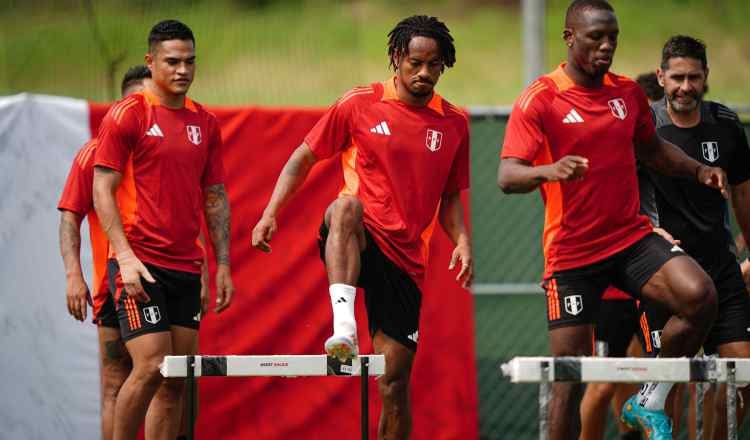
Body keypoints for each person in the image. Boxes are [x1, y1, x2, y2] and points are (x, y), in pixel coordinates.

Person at [497, 1, 727, 439]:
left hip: (629, 239)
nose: (607, 46)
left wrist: (699, 169)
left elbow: (654, 151)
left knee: (700, 297)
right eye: (595, 37)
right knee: (570, 378)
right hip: (572, 252)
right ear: (569, 38)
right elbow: (507, 175)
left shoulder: (627, 93)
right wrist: (549, 170)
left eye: (613, 38)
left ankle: (650, 398)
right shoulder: (541, 97)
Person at [251, 15, 471, 440]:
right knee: (345, 207)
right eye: (415, 63)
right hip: (360, 237)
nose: (424, 73)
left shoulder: (454, 123)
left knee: (394, 382)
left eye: (434, 65)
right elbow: (303, 158)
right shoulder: (359, 103)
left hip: (407, 259)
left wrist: (461, 239)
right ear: (396, 58)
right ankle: (343, 327)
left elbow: (449, 198)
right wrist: (270, 212)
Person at [93, 20, 234, 440]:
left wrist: (222, 263)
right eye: (172, 61)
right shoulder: (128, 114)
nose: (182, 70)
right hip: (140, 263)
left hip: (185, 268)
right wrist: (127, 258)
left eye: (190, 61)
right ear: (150, 61)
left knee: (176, 379)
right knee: (152, 364)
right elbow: (102, 189)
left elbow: (216, 196)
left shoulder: (205, 123)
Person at [637, 35, 750, 440]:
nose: (685, 86)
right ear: (661, 77)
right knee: (664, 390)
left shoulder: (726, 124)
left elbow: (742, 193)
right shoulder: (644, 125)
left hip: (720, 267)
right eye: (677, 77)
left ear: (706, 78)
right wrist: (647, 228)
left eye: (694, 77)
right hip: (666, 271)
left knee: (743, 375)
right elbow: (619, 190)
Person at [58, 65, 161, 440]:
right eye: (138, 101)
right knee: (117, 382)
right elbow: (69, 218)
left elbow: (190, 209)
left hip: (166, 278)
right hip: (112, 285)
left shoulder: (168, 149)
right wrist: (73, 274)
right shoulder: (95, 153)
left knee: (168, 380)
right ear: (121, 105)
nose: (147, 109)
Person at [579, 72, 667, 440]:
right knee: (601, 384)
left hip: (655, 288)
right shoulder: (599, 155)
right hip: (610, 293)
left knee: (665, 382)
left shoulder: (665, 157)